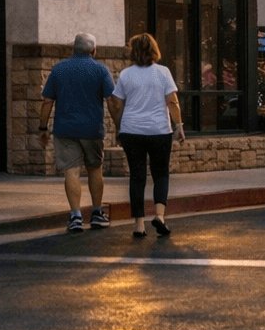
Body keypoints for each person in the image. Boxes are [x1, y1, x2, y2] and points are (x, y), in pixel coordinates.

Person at [109, 33, 185, 239]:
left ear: (133, 51)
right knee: (160, 174)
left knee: (137, 176)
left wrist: (119, 126)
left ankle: (138, 225)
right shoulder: (163, 72)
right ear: (154, 50)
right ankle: (159, 216)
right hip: (159, 130)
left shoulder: (126, 74)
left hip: (131, 131)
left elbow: (116, 104)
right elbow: (172, 101)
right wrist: (179, 125)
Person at [39, 32, 115, 233]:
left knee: (71, 171)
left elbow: (47, 101)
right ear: (94, 50)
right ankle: (97, 213)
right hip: (92, 129)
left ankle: (75, 216)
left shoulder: (58, 69)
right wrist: (120, 125)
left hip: (65, 130)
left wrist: (43, 128)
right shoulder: (101, 70)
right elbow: (112, 100)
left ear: (73, 49)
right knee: (94, 168)